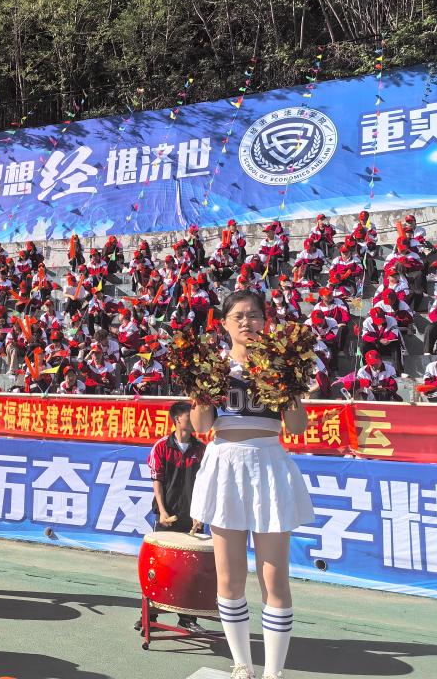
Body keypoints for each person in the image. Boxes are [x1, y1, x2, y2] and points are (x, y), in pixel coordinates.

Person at [189, 291, 314, 679]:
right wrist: (202, 389)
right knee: (230, 578)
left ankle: (273, 672)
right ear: (224, 323)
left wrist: (289, 383)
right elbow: (201, 426)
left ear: (265, 320)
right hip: (225, 464)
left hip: (269, 463)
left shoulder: (281, 363)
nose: (247, 322)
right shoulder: (214, 365)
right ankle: (242, 664)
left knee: (274, 578)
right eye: (238, 316)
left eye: (254, 315)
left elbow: (297, 427)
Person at [136, 401, 207, 633]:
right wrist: (163, 511)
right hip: (167, 514)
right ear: (177, 419)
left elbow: (205, 484)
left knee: (192, 569)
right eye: (189, 415)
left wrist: (200, 514)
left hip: (193, 516)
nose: (194, 419)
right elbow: (157, 481)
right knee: (159, 567)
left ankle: (187, 619)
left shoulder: (202, 449)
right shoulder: (161, 447)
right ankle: (149, 616)